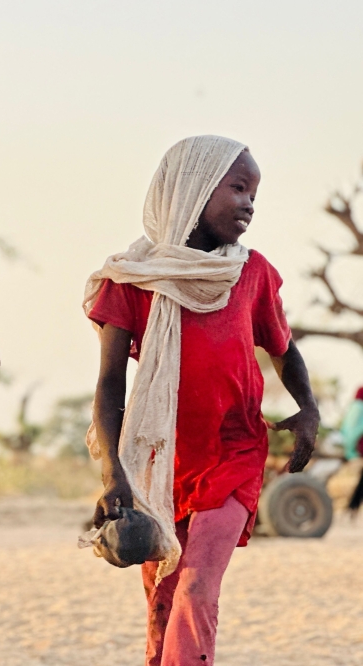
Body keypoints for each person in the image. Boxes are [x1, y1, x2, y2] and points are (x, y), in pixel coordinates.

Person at [85, 136, 319, 666]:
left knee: (196, 590)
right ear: (190, 188)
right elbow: (110, 386)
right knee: (162, 601)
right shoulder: (133, 279)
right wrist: (113, 474)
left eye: (254, 192)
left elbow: (284, 350)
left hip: (233, 455)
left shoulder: (250, 273)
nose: (249, 203)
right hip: (158, 464)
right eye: (238, 188)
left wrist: (308, 409)